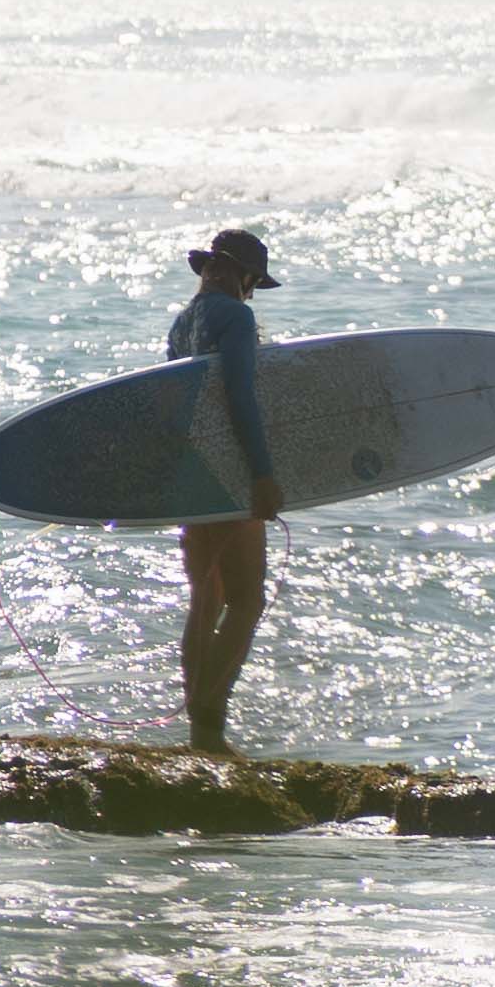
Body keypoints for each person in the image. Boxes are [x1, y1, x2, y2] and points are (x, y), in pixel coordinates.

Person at [165, 226, 283, 749]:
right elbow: (240, 397)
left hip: (193, 473)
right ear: (246, 278)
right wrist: (260, 473)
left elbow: (176, 403)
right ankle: (209, 721)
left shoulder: (182, 323)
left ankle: (201, 731)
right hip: (229, 472)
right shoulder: (237, 316)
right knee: (247, 601)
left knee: (204, 598)